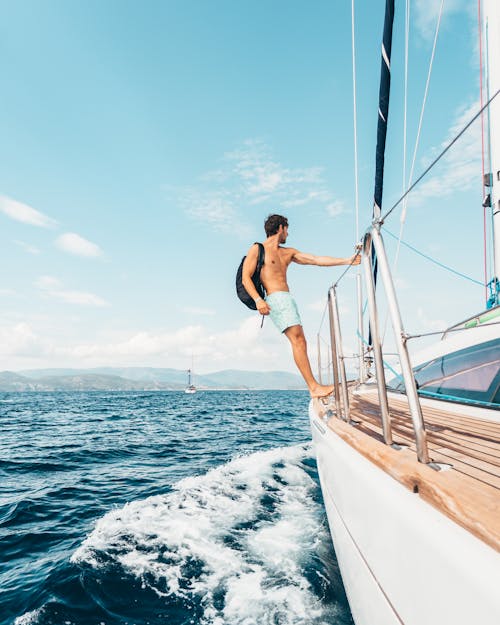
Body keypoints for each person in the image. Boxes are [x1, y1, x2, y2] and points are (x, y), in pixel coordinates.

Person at [242, 214, 361, 399]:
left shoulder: (287, 252)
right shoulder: (258, 249)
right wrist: (258, 300)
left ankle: (314, 386)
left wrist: (347, 260)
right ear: (280, 228)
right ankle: (314, 387)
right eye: (287, 229)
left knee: (300, 341)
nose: (288, 233)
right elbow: (245, 277)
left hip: (287, 299)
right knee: (298, 341)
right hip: (275, 299)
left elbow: (315, 259)